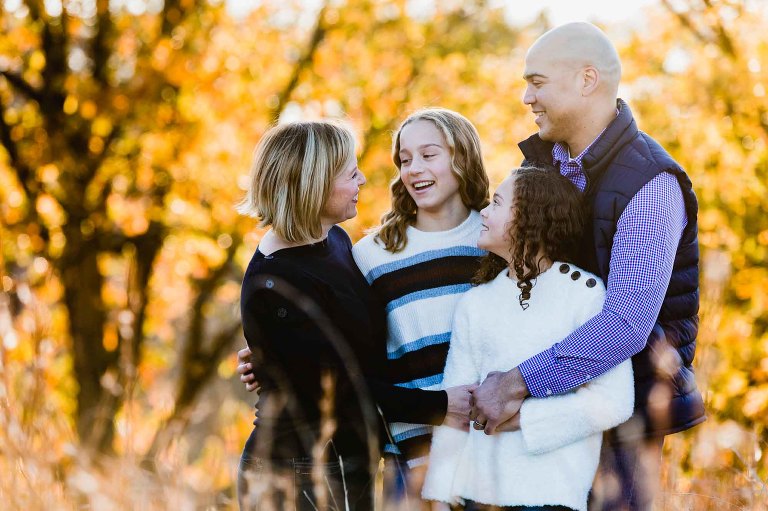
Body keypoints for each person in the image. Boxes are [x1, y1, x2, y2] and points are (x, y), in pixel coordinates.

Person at [469, 22, 705, 510]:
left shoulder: (651, 183)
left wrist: (515, 384)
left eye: (537, 82)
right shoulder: (539, 169)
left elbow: (626, 324)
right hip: (541, 414)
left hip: (624, 420)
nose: (526, 97)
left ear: (587, 80)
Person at [238, 108, 491, 508]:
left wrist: (275, 358)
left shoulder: (333, 241)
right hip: (298, 468)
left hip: (350, 461)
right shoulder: (273, 284)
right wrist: (442, 405)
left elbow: (356, 338)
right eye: (350, 173)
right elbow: (343, 389)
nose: (363, 180)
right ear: (315, 182)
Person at [423, 167, 634, 511]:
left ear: (530, 219)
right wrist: (440, 495)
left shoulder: (585, 295)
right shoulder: (475, 303)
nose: (484, 213)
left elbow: (614, 401)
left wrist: (521, 417)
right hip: (478, 498)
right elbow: (457, 407)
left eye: (497, 203)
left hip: (550, 498)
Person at [351, 108, 490, 507]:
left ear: (462, 156)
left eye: (429, 155)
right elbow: (346, 349)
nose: (414, 170)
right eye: (405, 159)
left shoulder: (494, 240)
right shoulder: (373, 255)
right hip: (409, 462)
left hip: (490, 454)